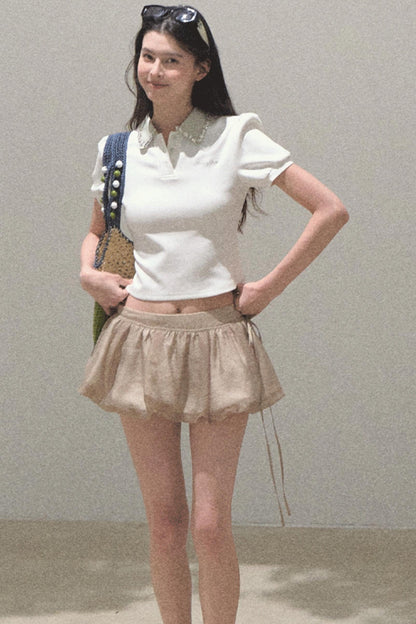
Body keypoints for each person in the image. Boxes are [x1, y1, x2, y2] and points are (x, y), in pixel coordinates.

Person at [79, 5, 349, 624]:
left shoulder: (236, 137)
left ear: (201, 69)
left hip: (217, 340)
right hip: (139, 337)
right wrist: (90, 273)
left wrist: (266, 289)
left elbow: (330, 209)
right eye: (147, 57)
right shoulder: (118, 150)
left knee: (209, 525)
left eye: (172, 60)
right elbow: (99, 232)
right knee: (164, 524)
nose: (155, 71)